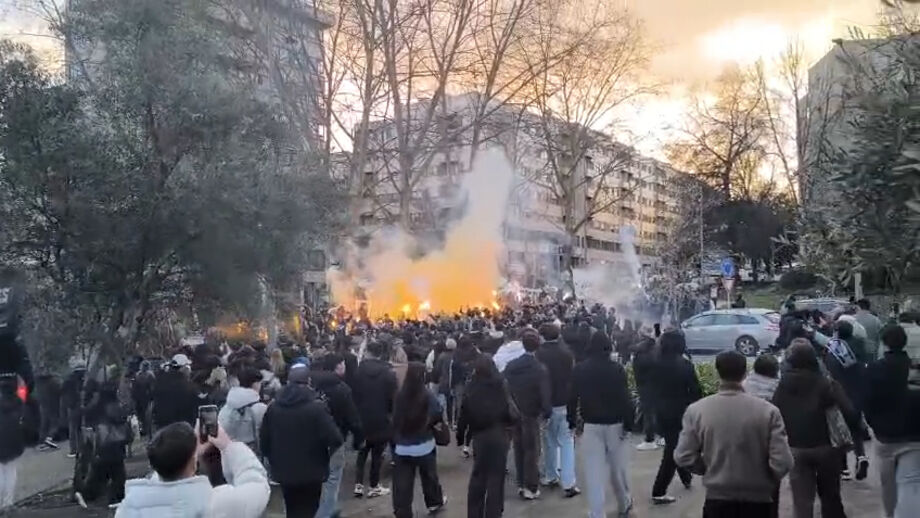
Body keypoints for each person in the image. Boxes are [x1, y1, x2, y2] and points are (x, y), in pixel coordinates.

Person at [675, 350, 794, 518]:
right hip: (758, 499)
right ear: (745, 373)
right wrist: (766, 478)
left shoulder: (697, 411)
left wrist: (708, 468)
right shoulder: (768, 411)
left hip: (717, 498)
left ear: (717, 373)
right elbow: (783, 461)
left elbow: (683, 456)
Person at [772, 342, 855, 518]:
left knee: (801, 500)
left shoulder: (783, 384)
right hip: (826, 445)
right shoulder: (824, 382)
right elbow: (848, 410)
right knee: (830, 494)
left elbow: (774, 411)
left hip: (795, 447)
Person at [116, 422, 270, 517]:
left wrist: (188, 455)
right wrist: (229, 446)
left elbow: (165, 475)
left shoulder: (130, 507)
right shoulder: (216, 503)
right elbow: (257, 485)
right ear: (193, 462)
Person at [260, 364, 344, 517]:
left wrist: (273, 460)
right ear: (309, 382)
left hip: (284, 470)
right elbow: (336, 438)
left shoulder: (273, 408)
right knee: (309, 509)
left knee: (291, 509)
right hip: (312, 471)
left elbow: (264, 440)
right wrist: (325, 455)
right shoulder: (316, 408)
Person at [571, 332, 634, 518]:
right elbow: (625, 398)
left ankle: (597, 513)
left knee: (593, 473)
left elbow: (572, 397)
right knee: (617, 469)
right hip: (616, 425)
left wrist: (572, 421)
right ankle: (624, 504)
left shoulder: (580, 369)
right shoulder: (617, 369)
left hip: (591, 425)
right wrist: (629, 424)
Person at [864, 324, 920, 518]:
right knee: (911, 483)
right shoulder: (914, 368)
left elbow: (867, 402)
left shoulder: (874, 369)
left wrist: (874, 424)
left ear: (884, 344)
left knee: (888, 483)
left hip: (885, 436)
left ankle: (890, 514)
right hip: (915, 435)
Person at [457, 355, 518, 518]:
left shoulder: (471, 387)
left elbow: (463, 413)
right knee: (496, 478)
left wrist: (461, 437)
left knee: (478, 475)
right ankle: (494, 513)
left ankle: (474, 513)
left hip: (479, 435)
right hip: (499, 433)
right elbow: (511, 409)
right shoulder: (501, 384)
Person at [309, 353, 364, 518]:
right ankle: (327, 512)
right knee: (333, 478)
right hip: (336, 439)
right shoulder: (342, 389)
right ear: (338, 367)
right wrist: (358, 440)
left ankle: (320, 509)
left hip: (311, 440)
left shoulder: (311, 386)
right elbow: (353, 418)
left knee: (315, 478)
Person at [651, 330, 701, 504]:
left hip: (661, 412)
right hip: (680, 412)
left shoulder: (655, 362)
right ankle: (659, 491)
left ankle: (686, 477)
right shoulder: (684, 365)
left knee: (675, 444)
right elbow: (695, 391)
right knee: (672, 451)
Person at [391, 362, 447, 518]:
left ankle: (403, 511)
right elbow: (437, 412)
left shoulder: (400, 395)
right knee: (429, 476)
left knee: (402, 483)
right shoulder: (427, 395)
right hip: (424, 444)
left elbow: (395, 418)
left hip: (402, 446)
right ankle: (434, 502)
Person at [504, 330, 551, 500]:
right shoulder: (540, 369)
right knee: (532, 451)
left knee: (519, 449)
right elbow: (544, 393)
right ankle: (531, 486)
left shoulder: (511, 366)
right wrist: (547, 411)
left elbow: (505, 387)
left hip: (515, 413)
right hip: (532, 415)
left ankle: (521, 484)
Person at [534, 322, 579, 496]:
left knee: (549, 441)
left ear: (542, 336)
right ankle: (568, 483)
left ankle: (550, 475)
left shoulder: (538, 355)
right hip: (565, 403)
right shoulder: (567, 354)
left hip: (546, 405)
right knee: (567, 442)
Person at [75, 375, 133, 509]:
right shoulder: (112, 406)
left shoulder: (96, 405)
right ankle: (114, 498)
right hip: (113, 443)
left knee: (102, 472)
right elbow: (120, 417)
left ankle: (87, 494)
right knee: (117, 473)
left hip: (102, 443)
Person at [352, 341, 397, 499]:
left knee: (362, 451)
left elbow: (354, 394)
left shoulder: (358, 371)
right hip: (381, 417)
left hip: (362, 416)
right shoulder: (388, 373)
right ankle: (373, 485)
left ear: (368, 352)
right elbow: (393, 397)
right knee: (377, 453)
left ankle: (358, 484)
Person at [824, 320, 868, 480]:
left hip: (840, 393)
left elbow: (829, 371)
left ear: (837, 332)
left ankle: (843, 468)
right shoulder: (859, 346)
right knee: (855, 428)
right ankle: (861, 456)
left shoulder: (833, 350)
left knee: (839, 431)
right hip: (857, 392)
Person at [218, 367, 266, 456]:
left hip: (228, 452)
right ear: (255, 384)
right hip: (250, 453)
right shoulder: (259, 408)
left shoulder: (228, 404)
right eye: (260, 383)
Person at [151, 354, 199, 433]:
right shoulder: (188, 386)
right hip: (183, 427)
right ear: (183, 368)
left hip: (162, 425)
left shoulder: (160, 382)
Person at [0, 373, 25, 513]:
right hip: (14, 440)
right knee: (11, 470)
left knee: (0, 472)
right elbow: (23, 389)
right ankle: (7, 503)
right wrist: (17, 376)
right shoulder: (18, 401)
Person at [632, 326, 659, 451]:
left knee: (649, 413)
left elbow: (637, 371)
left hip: (645, 386)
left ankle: (650, 439)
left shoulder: (639, 351)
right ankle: (662, 436)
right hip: (658, 384)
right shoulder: (658, 349)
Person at [131, 362, 155, 438]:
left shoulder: (148, 375)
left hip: (144, 398)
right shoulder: (140, 375)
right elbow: (134, 387)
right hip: (141, 398)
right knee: (142, 415)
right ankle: (143, 430)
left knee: (145, 416)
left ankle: (145, 430)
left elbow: (152, 388)